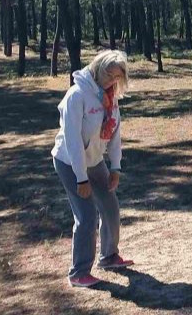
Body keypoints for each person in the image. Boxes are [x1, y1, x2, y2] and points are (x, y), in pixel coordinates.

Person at [50, 50, 134, 288]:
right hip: (69, 162)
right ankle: (78, 272)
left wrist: (115, 167)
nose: (112, 81)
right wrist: (81, 179)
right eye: (110, 75)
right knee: (86, 216)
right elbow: (73, 141)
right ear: (98, 68)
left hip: (94, 160)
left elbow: (115, 133)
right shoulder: (76, 96)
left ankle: (108, 256)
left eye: (117, 77)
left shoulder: (110, 97)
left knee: (110, 207)